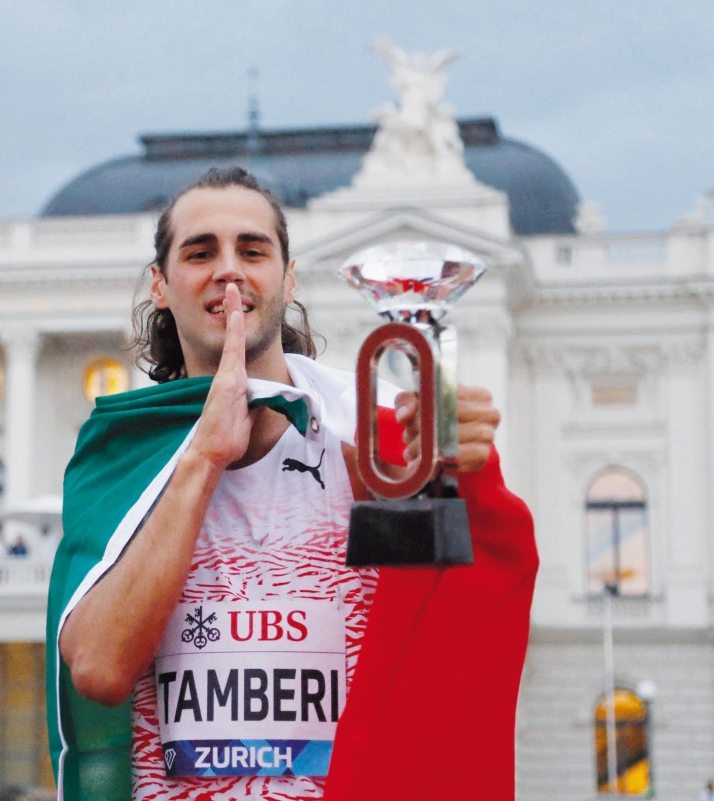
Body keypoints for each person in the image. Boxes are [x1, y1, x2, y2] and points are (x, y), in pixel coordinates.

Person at [46, 167, 537, 801]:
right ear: (161, 286)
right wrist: (202, 459)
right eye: (201, 253)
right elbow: (99, 670)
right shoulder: (122, 456)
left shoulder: (374, 442)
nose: (228, 270)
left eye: (252, 250)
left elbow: (464, 610)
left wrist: (475, 482)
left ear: (289, 276)